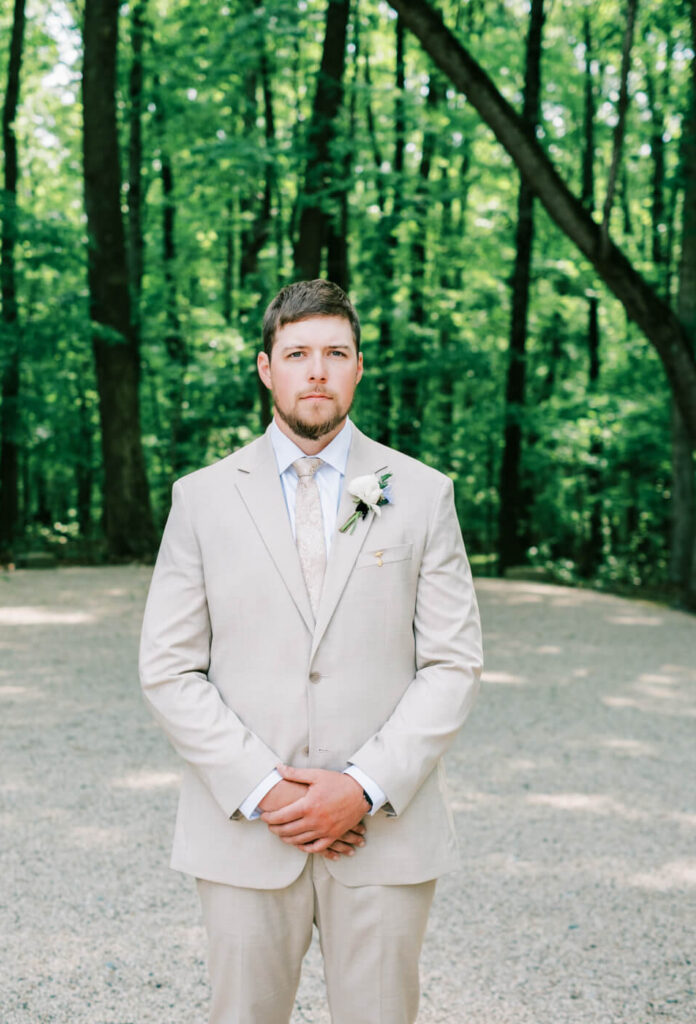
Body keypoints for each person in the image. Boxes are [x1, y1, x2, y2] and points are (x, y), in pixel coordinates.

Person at [139, 279, 483, 1024]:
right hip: (245, 833)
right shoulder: (201, 498)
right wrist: (268, 789)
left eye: (335, 353)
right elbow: (169, 668)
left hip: (383, 833)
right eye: (297, 354)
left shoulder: (420, 494)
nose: (316, 371)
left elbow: (453, 664)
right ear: (267, 368)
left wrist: (360, 785)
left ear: (359, 367)